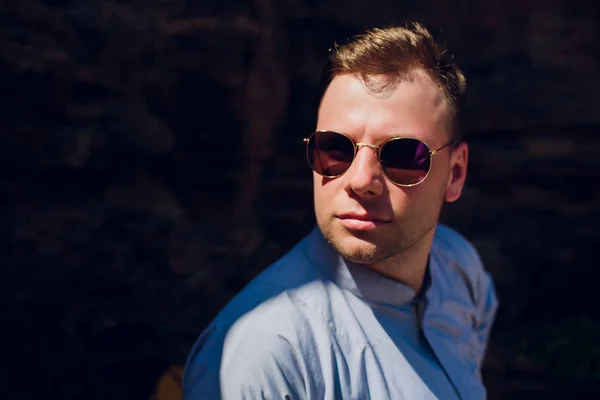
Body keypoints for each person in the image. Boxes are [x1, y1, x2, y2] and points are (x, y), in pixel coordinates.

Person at [183, 22, 498, 400]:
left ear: (456, 174)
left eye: (402, 155)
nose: (360, 179)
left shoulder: (459, 270)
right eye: (335, 148)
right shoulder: (265, 356)